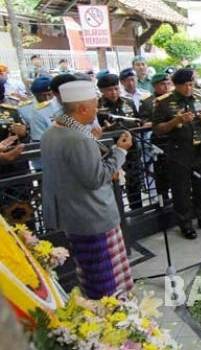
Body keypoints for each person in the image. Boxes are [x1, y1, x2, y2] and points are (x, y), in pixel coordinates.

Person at [41, 80, 134, 299]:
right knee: (107, 284)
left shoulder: (52, 132)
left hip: (73, 217)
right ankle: (114, 323)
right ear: (82, 108)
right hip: (93, 217)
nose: (98, 108)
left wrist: (94, 141)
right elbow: (97, 178)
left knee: (89, 274)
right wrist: (120, 151)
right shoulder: (78, 139)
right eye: (95, 104)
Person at [153, 68, 201, 239]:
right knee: (181, 190)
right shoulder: (164, 102)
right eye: (186, 85)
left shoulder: (200, 98)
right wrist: (176, 121)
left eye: (192, 84)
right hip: (179, 152)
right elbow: (158, 130)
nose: (190, 88)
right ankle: (186, 224)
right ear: (177, 85)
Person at [96, 73, 144, 210]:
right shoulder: (97, 107)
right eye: (109, 90)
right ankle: (118, 212)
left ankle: (137, 209)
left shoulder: (127, 102)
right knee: (113, 182)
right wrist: (106, 129)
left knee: (134, 179)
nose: (114, 92)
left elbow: (138, 120)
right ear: (102, 91)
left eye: (116, 88)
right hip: (109, 151)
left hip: (131, 147)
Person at [140, 73, 173, 199]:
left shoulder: (174, 99)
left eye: (168, 83)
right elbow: (143, 121)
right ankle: (162, 199)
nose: (166, 87)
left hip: (174, 140)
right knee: (161, 173)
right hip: (159, 141)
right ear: (154, 86)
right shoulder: (148, 102)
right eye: (162, 84)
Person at [18, 77, 60, 170]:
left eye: (49, 94)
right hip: (40, 153)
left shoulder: (59, 105)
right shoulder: (24, 108)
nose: (46, 98)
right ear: (35, 94)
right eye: (42, 95)